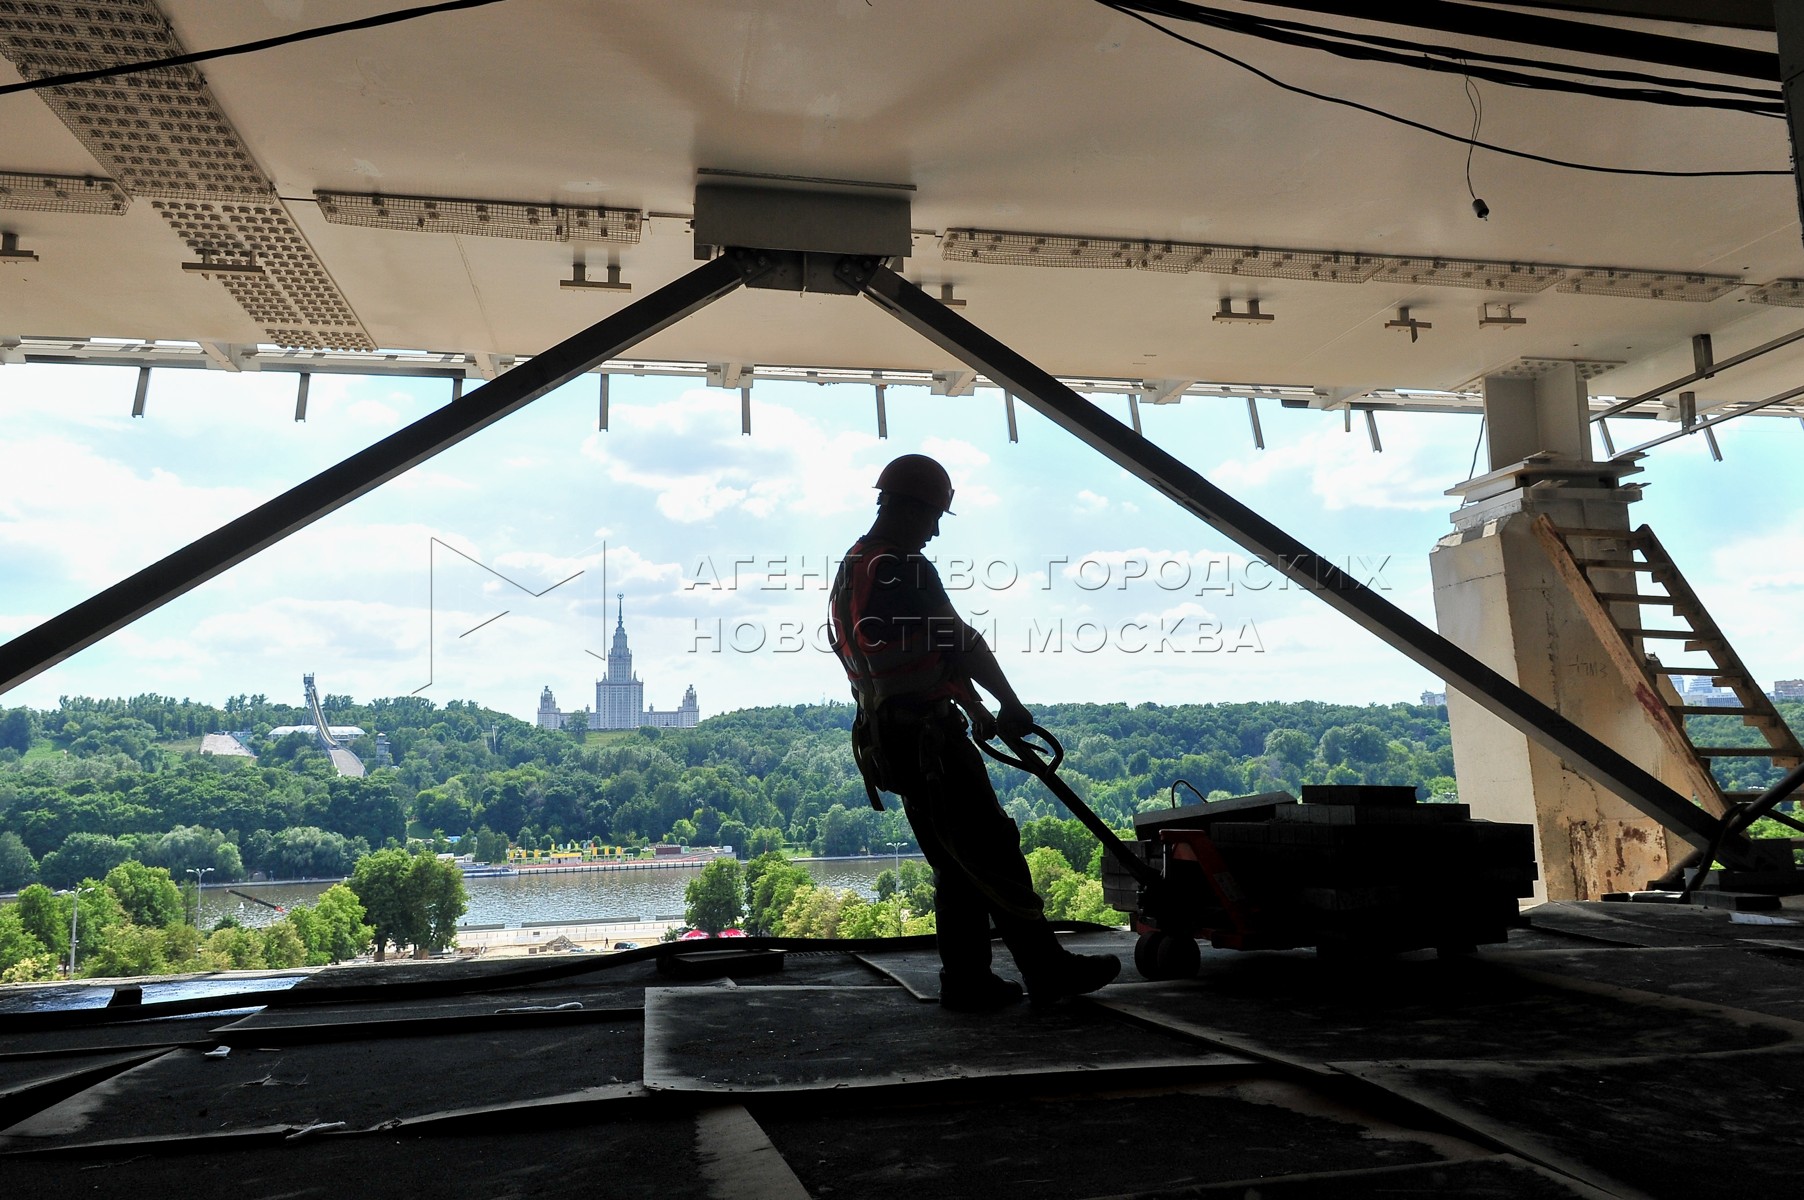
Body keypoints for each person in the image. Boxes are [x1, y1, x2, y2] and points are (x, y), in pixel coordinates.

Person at [829, 453, 1120, 1011]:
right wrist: (1010, 703)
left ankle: (966, 979)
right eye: (935, 515)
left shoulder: (855, 566)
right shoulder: (903, 567)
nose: (936, 530)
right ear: (910, 508)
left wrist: (969, 702)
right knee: (993, 848)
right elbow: (959, 640)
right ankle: (1046, 967)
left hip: (891, 739)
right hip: (928, 741)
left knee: (957, 862)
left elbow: (909, 655)